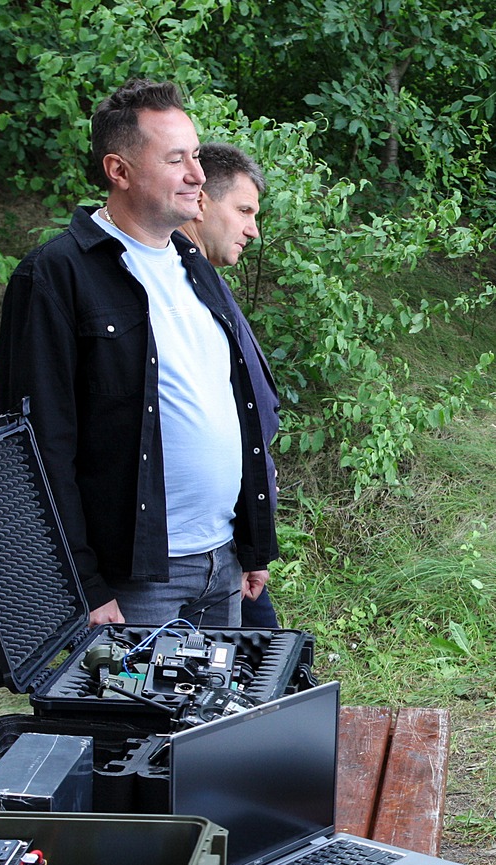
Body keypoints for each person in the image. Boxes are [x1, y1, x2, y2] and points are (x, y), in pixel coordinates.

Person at [0, 79, 275, 629]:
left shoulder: (195, 268)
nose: (197, 175)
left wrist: (251, 541)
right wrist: (84, 585)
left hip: (221, 563)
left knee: (235, 691)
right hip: (134, 584)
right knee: (140, 694)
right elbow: (36, 447)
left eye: (195, 155)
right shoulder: (56, 274)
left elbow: (238, 408)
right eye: (175, 159)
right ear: (118, 171)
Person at [182, 141, 280, 629]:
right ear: (201, 202)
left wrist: (252, 544)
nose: (252, 229)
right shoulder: (172, 286)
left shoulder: (205, 281)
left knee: (272, 660)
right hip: (188, 552)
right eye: (243, 211)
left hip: (226, 540)